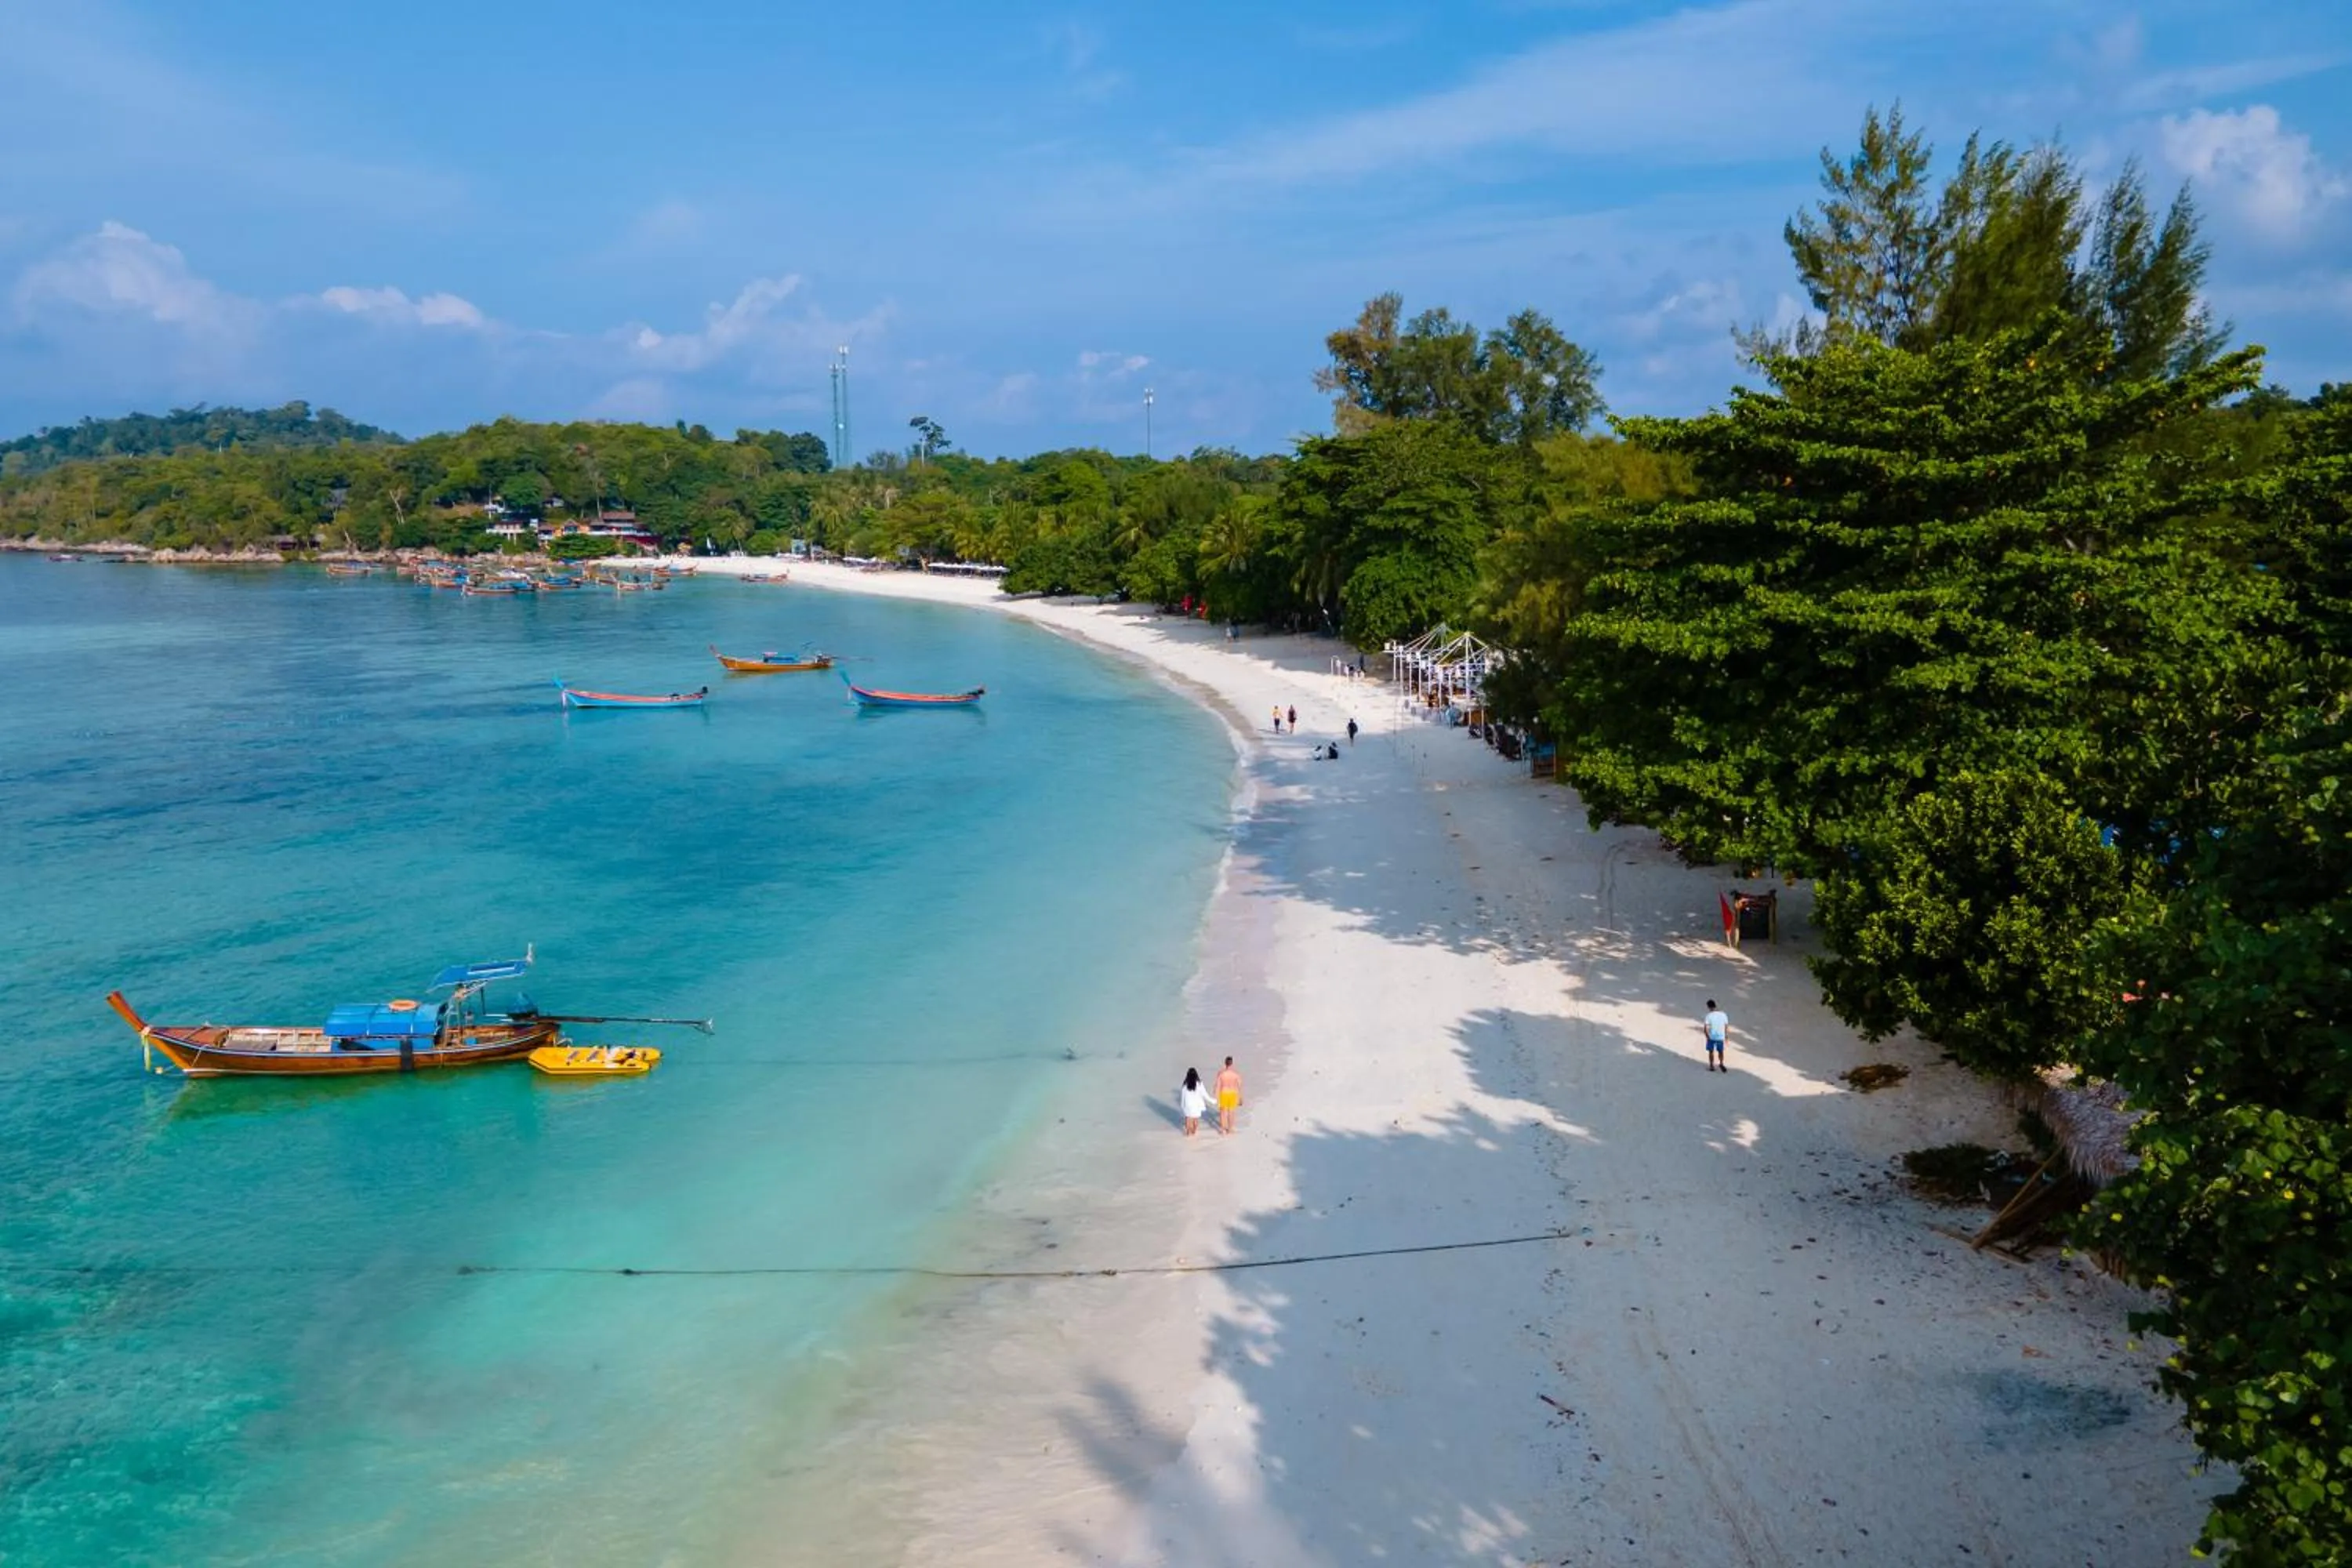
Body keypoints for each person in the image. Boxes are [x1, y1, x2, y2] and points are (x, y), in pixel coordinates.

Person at [1214, 1056, 1243, 1134]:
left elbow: (1217, 1085)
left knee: (1223, 1112)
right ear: (1232, 1063)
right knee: (1231, 1112)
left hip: (1224, 1093)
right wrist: (1240, 1097)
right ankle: (1230, 1129)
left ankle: (1223, 1129)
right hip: (1233, 1093)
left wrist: (1216, 1096)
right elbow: (1239, 1086)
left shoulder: (1221, 1073)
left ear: (1225, 1063)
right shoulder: (1235, 1074)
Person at [1178, 1067, 1211, 1137]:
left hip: (1188, 1104)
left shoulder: (1185, 1084)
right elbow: (1204, 1094)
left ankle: (1188, 1132)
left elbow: (1183, 1095)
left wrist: (1182, 1105)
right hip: (1196, 1105)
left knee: (1188, 1118)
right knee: (1195, 1119)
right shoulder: (1199, 1084)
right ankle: (1194, 1131)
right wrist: (1212, 1101)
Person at [1702, 999, 1730, 1073]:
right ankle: (1721, 1063)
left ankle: (1712, 1066)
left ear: (1709, 1007)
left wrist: (1707, 1037)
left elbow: (1705, 1028)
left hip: (1712, 1036)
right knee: (1721, 1051)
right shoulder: (1723, 1014)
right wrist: (1726, 1035)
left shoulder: (1708, 1016)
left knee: (1711, 1051)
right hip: (1721, 1036)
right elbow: (1726, 1026)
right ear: (1715, 1005)